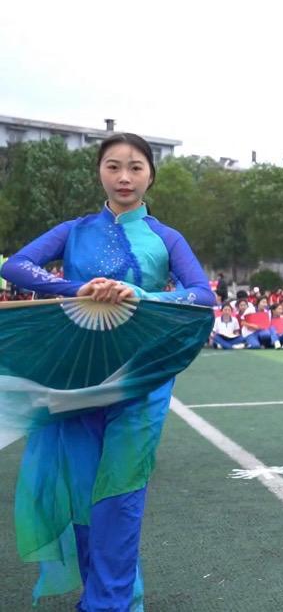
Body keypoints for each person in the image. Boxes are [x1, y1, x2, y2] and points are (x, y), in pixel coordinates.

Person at [0, 132, 216, 609]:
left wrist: (144, 295)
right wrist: (75, 287)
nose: (124, 177)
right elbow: (16, 266)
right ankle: (107, 591)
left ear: (150, 176)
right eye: (113, 166)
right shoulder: (74, 230)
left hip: (142, 374)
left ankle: (108, 602)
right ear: (99, 172)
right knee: (81, 491)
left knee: (120, 490)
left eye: (136, 167)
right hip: (76, 375)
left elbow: (202, 294)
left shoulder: (166, 238)